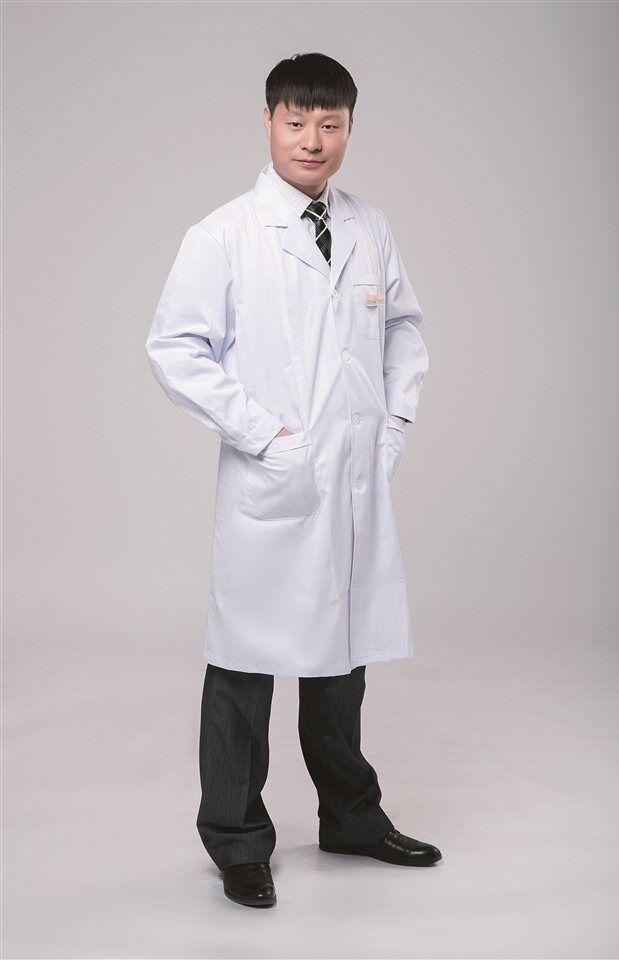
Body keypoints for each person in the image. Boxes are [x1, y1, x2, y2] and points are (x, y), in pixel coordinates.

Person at [145, 51, 442, 909]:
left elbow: (403, 328)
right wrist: (264, 436)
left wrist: (392, 424)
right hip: (274, 484)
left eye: (330, 124)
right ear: (269, 122)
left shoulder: (368, 227)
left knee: (340, 660)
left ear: (349, 128)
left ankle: (351, 817)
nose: (313, 139)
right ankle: (237, 840)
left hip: (351, 480)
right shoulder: (224, 235)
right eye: (296, 121)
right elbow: (175, 349)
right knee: (244, 667)